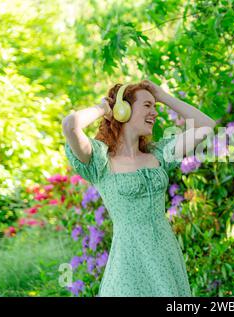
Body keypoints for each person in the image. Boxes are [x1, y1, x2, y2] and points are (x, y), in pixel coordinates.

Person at [62, 80, 216, 296]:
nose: (154, 112)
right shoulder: (100, 160)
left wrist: (164, 96)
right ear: (123, 110)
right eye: (147, 106)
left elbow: (207, 125)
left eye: (155, 106)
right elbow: (70, 125)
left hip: (165, 256)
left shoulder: (159, 154)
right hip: (128, 262)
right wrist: (104, 108)